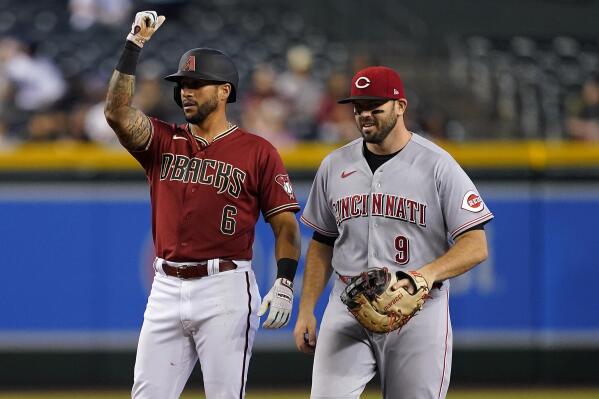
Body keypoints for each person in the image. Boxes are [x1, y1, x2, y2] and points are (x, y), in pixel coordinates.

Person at [104, 11, 301, 399]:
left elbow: (286, 226)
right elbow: (116, 113)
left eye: (197, 83)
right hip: (165, 286)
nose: (186, 92)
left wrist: (284, 281)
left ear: (225, 91)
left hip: (224, 287)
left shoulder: (257, 151)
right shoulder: (162, 140)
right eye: (183, 84)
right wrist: (133, 46)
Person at [293, 65, 494, 398]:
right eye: (358, 107)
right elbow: (321, 242)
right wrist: (306, 310)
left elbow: (476, 244)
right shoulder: (334, 165)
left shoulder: (437, 164)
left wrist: (425, 275)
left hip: (416, 307)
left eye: (375, 106)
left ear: (400, 106)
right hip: (348, 303)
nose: (364, 114)